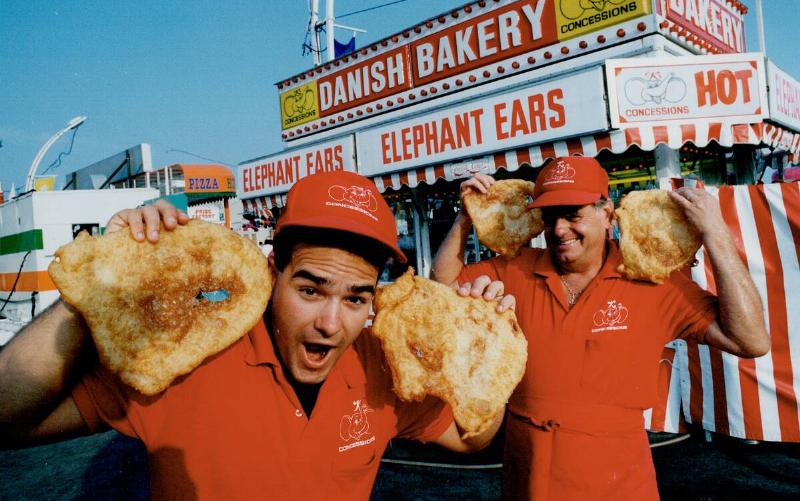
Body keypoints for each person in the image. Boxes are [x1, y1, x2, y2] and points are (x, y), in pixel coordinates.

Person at [0, 170, 511, 500]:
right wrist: (100, 287)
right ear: (272, 274)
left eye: (356, 298)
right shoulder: (182, 361)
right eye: (310, 290)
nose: (332, 324)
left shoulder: (384, 367)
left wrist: (483, 348)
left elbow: (473, 439)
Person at [431, 156, 769, 500]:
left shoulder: (653, 281)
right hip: (528, 474)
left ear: (607, 213)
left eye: (573, 214)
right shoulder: (517, 268)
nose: (560, 229)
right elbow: (443, 288)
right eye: (550, 217)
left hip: (616, 479)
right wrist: (464, 217)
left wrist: (716, 235)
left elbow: (751, 339)